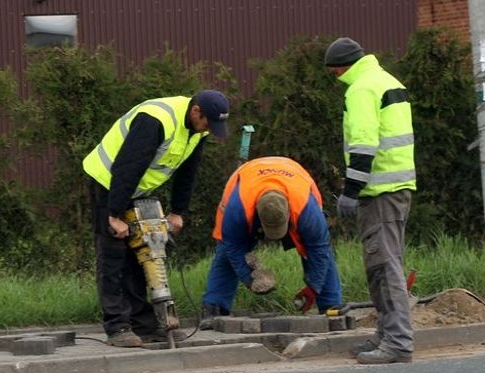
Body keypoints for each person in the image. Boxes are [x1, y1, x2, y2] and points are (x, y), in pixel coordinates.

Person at [82, 90, 230, 347]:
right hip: (108, 183)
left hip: (136, 188)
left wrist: (178, 212)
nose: (209, 129)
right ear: (197, 112)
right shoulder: (156, 120)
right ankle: (117, 326)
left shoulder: (197, 130)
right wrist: (114, 214)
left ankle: (145, 325)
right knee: (113, 255)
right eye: (208, 122)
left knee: (142, 253)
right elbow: (127, 166)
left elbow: (188, 171)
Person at [325, 36, 416, 364]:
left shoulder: (361, 88)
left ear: (339, 68)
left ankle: (397, 341)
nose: (334, 78)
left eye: (333, 72)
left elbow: (364, 144)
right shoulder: (387, 80)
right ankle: (388, 333)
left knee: (384, 266)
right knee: (385, 263)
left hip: (379, 192)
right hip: (397, 187)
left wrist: (351, 191)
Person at [199, 156, 343, 324]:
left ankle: (330, 306)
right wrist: (249, 279)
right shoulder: (238, 208)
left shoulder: (306, 210)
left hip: (294, 178)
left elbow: (319, 249)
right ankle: (214, 308)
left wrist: (313, 288)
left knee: (319, 253)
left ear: (289, 215)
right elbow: (233, 247)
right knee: (225, 252)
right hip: (247, 178)